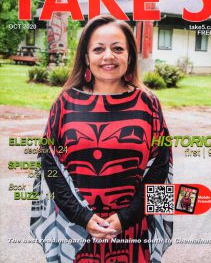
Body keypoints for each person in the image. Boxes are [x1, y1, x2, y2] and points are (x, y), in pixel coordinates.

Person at [30, 14, 173, 263]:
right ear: (86, 57)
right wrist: (82, 217)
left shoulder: (149, 103)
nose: (108, 56)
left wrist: (126, 218)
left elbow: (161, 168)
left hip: (133, 233)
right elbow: (49, 167)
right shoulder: (65, 103)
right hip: (75, 234)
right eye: (99, 49)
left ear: (129, 56)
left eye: (118, 48)